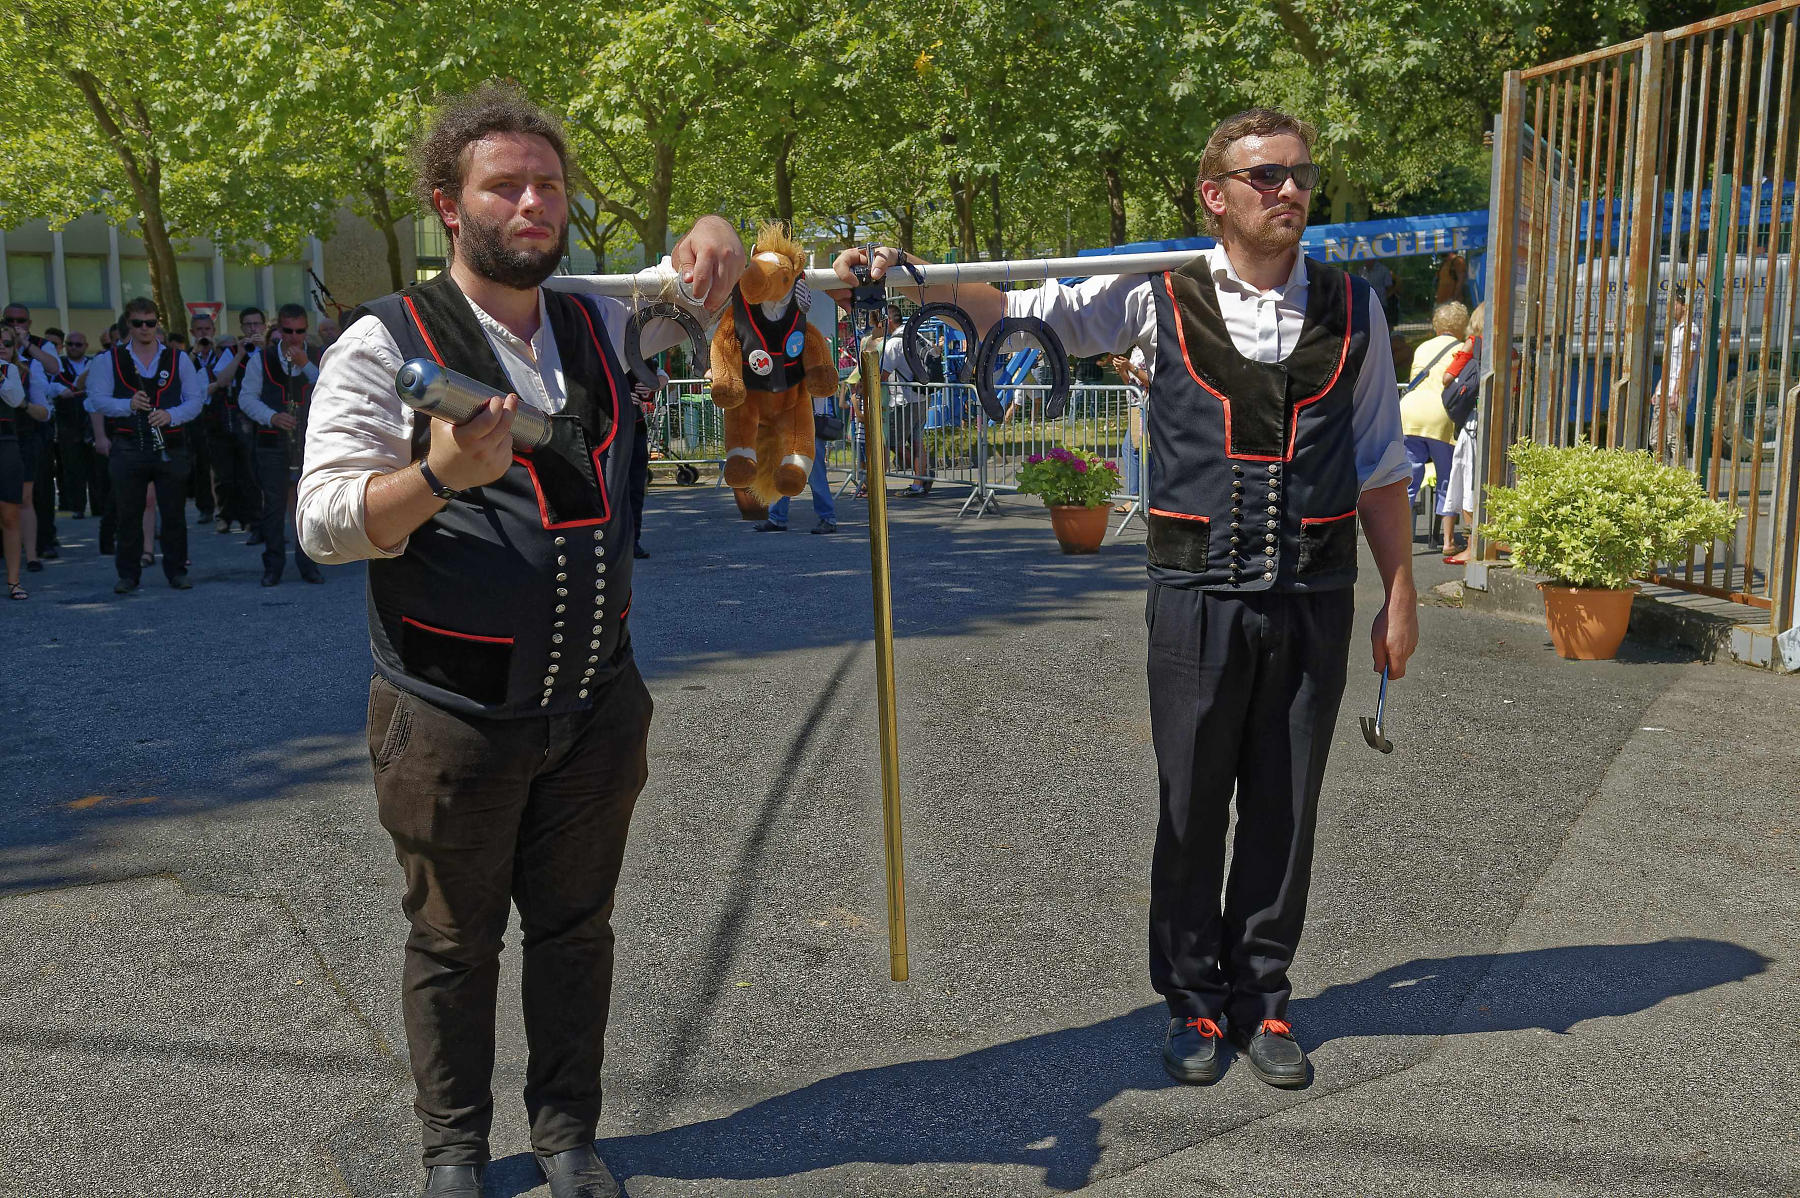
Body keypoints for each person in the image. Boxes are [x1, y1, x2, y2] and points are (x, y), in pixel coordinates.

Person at [837, 106, 1417, 1091]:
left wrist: (1401, 593)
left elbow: (1380, 467)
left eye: (1301, 176)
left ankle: (1265, 998)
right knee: (1192, 804)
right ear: (1215, 194)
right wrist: (915, 275)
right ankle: (1193, 998)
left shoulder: (1354, 310)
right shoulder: (1155, 296)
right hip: (1193, 595)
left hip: (1315, 593)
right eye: (1266, 175)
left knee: (1287, 806)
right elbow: (1023, 314)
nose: (1290, 191)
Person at [296, 83, 742, 1198]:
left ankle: (566, 1133)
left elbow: (706, 281)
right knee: (453, 943)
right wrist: (441, 475)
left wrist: (722, 232)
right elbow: (323, 524)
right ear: (451, 205)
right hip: (450, 711)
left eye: (549, 185)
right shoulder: (382, 341)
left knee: (577, 928)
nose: (534, 203)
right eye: (507, 186)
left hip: (597, 701)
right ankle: (453, 1149)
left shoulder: (600, 316)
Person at [84, 297, 207, 593]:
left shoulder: (178, 358)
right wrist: (127, 404)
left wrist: (170, 415)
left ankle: (177, 571)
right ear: (128, 324)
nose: (144, 329)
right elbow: (96, 399)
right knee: (128, 514)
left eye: (150, 323)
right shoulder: (107, 360)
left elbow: (195, 400)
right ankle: (128, 575)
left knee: (174, 512)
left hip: (171, 444)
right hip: (127, 445)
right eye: (138, 323)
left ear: (157, 323)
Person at [238, 303, 323, 585]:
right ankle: (273, 565)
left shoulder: (318, 357)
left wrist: (305, 365)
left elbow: (332, 388)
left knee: (307, 506)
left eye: (300, 331)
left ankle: (308, 564)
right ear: (279, 330)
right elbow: (246, 398)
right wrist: (272, 416)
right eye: (288, 331)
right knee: (273, 506)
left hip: (308, 443)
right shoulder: (259, 360)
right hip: (272, 442)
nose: (295, 337)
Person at [1400, 302, 1469, 552]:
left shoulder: (1422, 347)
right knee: (1446, 479)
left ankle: (1400, 538)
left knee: (1409, 479)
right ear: (1462, 325)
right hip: (1441, 416)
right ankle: (1448, 540)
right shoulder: (1461, 349)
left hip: (1408, 414)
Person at [1440, 303, 1485, 565]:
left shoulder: (1474, 344)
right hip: (1507, 422)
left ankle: (1472, 545)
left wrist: (1464, 355)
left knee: (1469, 482)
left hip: (1475, 423)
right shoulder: (1513, 349)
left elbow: (1447, 378)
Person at [1652, 284, 1701, 465]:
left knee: (1674, 439)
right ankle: (1662, 476)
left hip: (1676, 392)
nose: (1670, 309)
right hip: (1664, 391)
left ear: (1684, 306)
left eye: (1674, 305)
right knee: (1656, 440)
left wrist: (1677, 391)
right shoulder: (1675, 331)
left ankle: (1679, 480)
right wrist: (1659, 387)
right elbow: (1670, 364)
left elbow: (1687, 363)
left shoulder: (1691, 331)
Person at [49, 329, 95, 521]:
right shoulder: (57, 364)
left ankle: (99, 506)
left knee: (96, 468)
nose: (74, 348)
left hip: (90, 421)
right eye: (70, 344)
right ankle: (77, 506)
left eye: (78, 344)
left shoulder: (93, 363)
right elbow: (58, 387)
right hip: (67, 422)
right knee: (72, 468)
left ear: (85, 346)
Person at [1, 331, 32, 598]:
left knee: (10, 515)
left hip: (5, 444)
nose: (1, 347)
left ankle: (13, 580)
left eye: (7, 343)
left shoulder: (11, 370)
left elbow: (14, 399)